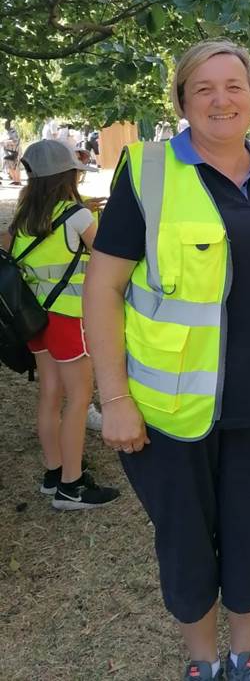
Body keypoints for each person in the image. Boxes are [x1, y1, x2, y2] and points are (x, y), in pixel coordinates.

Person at [83, 39, 250, 681]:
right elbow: (103, 288)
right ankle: (203, 661)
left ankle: (245, 653)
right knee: (185, 544)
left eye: (234, 86)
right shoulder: (147, 171)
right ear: (181, 100)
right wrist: (116, 398)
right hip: (169, 411)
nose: (220, 99)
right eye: (203, 88)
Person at [7, 140, 120, 510]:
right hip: (69, 320)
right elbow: (107, 255)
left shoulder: (24, 217)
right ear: (67, 175)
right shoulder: (76, 215)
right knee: (79, 401)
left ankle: (54, 472)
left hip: (35, 321)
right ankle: (72, 487)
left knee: (50, 396)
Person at [2, 119, 22, 185]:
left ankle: (18, 181)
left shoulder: (13, 131)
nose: (4, 125)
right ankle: (14, 180)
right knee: (9, 166)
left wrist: (5, 142)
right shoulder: (6, 131)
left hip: (14, 151)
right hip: (7, 151)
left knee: (15, 165)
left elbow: (15, 141)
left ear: (8, 124)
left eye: (5, 124)